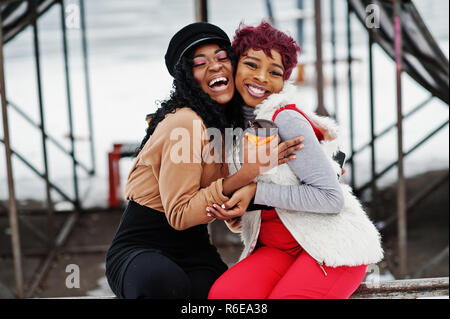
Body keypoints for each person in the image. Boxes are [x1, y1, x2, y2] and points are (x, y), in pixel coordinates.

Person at [105, 22, 303, 299]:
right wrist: (247, 175)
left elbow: (230, 216)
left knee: (223, 295)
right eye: (200, 63)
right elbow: (180, 214)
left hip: (195, 249)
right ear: (187, 76)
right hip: (142, 247)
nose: (215, 66)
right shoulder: (184, 122)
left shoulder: (230, 125)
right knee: (166, 285)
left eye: (222, 57)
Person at [207, 22, 384, 299]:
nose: (262, 77)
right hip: (279, 248)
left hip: (331, 247)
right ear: (233, 65)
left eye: (274, 72)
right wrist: (237, 213)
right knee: (225, 296)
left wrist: (255, 192)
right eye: (252, 65)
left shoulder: (284, 119)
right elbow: (271, 199)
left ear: (284, 80)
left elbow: (330, 198)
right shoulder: (234, 125)